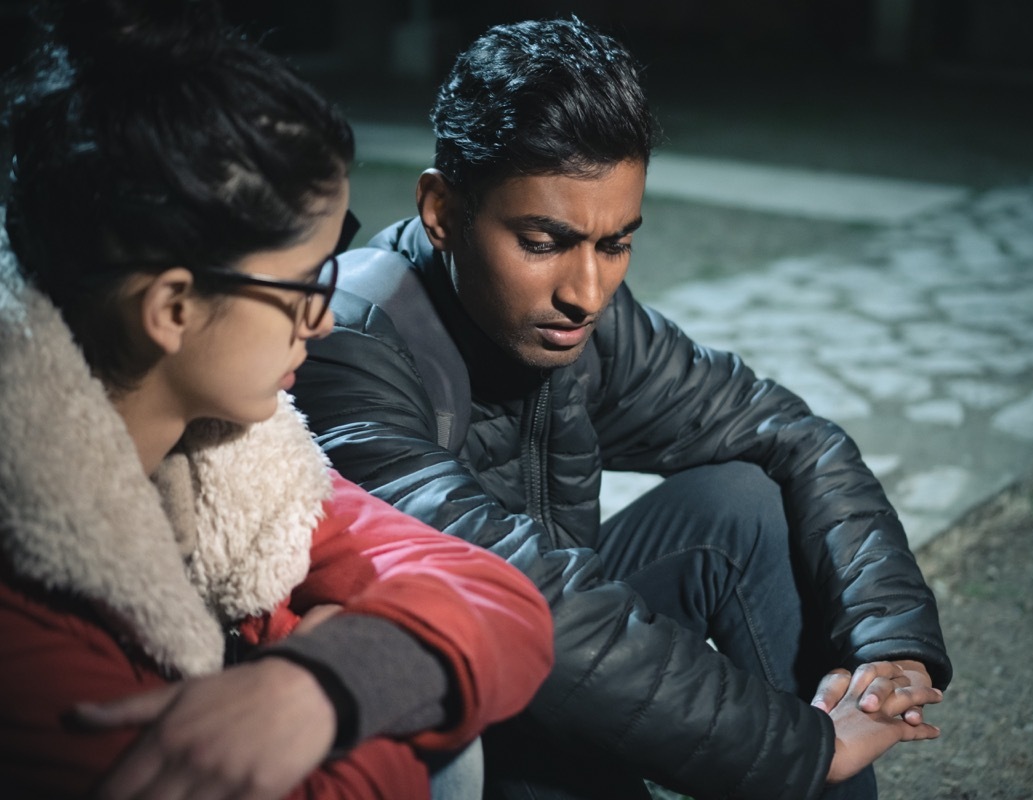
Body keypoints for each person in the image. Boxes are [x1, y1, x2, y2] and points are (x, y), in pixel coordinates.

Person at [291, 16, 950, 800]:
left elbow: (795, 434)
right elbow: (514, 594)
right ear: (441, 210)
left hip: (558, 647)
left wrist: (888, 639)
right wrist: (801, 748)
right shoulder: (350, 339)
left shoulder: (585, 326)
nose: (586, 293)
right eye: (543, 242)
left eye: (614, 244)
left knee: (741, 504)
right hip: (443, 710)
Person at [0, 1, 555, 798]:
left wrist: (322, 683)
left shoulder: (234, 456)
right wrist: (372, 694)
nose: (322, 319)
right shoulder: (26, 612)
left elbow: (500, 596)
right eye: (302, 284)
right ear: (173, 308)